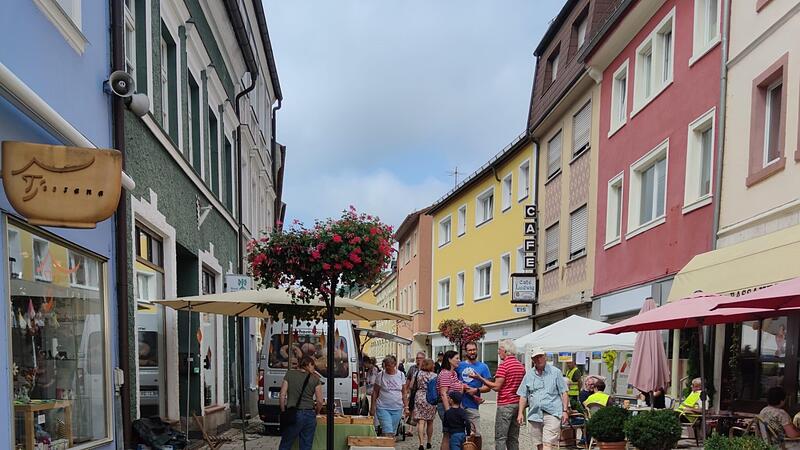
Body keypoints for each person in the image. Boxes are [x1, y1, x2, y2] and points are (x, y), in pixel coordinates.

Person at [474, 339, 525, 450]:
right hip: (517, 404)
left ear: (506, 351)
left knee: (501, 438)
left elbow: (497, 387)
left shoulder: (504, 366)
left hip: (505, 404)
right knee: (513, 438)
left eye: (499, 349)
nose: (498, 352)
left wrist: (480, 378)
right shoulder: (520, 366)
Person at [516, 347, 569, 450]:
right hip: (534, 414)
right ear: (532, 360)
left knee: (547, 444)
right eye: (536, 357)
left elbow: (564, 392)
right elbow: (523, 395)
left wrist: (565, 410)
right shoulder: (529, 375)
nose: (539, 359)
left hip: (552, 413)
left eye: (540, 356)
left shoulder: (555, 372)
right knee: (539, 444)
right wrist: (520, 413)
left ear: (545, 357)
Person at [278, 356, 324, 450]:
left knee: (286, 444)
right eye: (313, 366)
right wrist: (316, 412)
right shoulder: (315, 379)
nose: (313, 369)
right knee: (306, 445)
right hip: (309, 414)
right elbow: (320, 401)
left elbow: (282, 395)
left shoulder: (289, 374)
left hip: (293, 414)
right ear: (309, 364)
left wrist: (283, 411)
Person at [438, 350, 479, 450]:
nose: (459, 361)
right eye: (456, 358)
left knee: (454, 435)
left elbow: (459, 388)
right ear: (449, 360)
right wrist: (449, 411)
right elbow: (443, 394)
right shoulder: (445, 374)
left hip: (455, 408)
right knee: (447, 435)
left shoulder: (454, 374)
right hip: (447, 407)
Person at [456, 342, 491, 436]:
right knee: (458, 434)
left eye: (474, 350)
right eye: (470, 350)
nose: (472, 352)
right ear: (465, 352)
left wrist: (476, 390)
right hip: (457, 404)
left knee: (476, 434)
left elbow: (488, 387)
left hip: (473, 406)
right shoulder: (459, 365)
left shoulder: (483, 367)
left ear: (477, 350)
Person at [371, 355, 408, 437]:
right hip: (383, 407)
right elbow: (375, 392)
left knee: (392, 432)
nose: (386, 367)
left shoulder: (401, 375)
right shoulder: (380, 375)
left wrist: (406, 407)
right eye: (385, 365)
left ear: (394, 365)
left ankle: (387, 445)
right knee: (388, 430)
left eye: (389, 365)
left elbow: (404, 392)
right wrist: (372, 407)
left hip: (397, 408)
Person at [411, 358, 437, 450]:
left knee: (421, 422)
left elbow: (411, 386)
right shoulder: (434, 375)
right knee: (430, 421)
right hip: (431, 397)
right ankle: (429, 442)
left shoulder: (417, 373)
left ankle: (421, 443)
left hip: (419, 397)